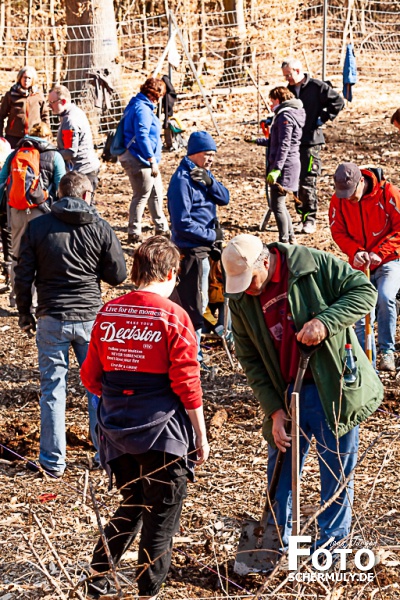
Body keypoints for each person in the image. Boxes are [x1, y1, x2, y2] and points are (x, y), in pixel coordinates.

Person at [222, 233, 382, 550]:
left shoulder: (311, 265)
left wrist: (325, 322)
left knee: (335, 472)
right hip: (286, 393)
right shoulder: (241, 298)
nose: (248, 289)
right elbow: (250, 360)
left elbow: (364, 292)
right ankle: (273, 544)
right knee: (279, 473)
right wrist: (274, 410)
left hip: (331, 386)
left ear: (265, 261)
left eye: (250, 280)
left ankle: (331, 545)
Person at [80, 235, 209, 599]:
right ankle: (148, 593)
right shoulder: (174, 316)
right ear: (170, 273)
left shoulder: (109, 312)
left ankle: (97, 579)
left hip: (117, 432)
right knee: (161, 520)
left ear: (136, 271)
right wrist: (200, 434)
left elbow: (90, 376)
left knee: (132, 503)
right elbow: (187, 382)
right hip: (162, 435)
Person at [14, 171, 126, 477]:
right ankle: (105, 455)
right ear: (87, 196)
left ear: (58, 194)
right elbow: (118, 275)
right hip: (90, 317)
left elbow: (22, 275)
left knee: (53, 390)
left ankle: (53, 462)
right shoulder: (99, 227)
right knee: (98, 388)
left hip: (52, 317)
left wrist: (25, 312)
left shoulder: (38, 227)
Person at [329, 162, 400, 371]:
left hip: (389, 260)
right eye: (344, 193)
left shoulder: (389, 193)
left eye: (351, 192)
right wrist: (355, 251)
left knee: (386, 297)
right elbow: (338, 232)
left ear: (361, 181)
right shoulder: (339, 200)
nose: (348, 197)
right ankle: (366, 363)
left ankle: (387, 351)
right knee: (361, 312)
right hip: (360, 264)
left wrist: (380, 252)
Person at [167, 131, 230, 364]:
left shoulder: (202, 173)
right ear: (194, 154)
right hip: (192, 250)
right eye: (208, 154)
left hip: (207, 247)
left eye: (213, 155)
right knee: (196, 303)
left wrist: (211, 182)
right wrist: (212, 235)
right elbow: (182, 223)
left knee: (208, 297)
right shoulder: (181, 181)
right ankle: (194, 355)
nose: (211, 159)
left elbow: (224, 199)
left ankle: (199, 347)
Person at [0, 121, 66, 306]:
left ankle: (16, 298)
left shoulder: (15, 153)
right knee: (40, 255)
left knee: (17, 256)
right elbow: (61, 184)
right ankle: (36, 300)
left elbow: (2, 179)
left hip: (17, 209)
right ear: (48, 137)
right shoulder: (54, 156)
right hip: (41, 212)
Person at [281, 57, 344, 234]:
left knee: (308, 180)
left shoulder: (317, 87)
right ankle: (300, 217)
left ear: (298, 71)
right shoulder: (290, 90)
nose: (287, 79)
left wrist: (322, 118)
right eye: (285, 76)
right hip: (294, 142)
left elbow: (338, 103)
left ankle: (310, 219)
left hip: (311, 142)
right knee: (295, 180)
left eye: (289, 75)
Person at [119, 77, 170, 244]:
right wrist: (151, 158)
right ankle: (134, 232)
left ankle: (162, 228)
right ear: (156, 95)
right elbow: (142, 135)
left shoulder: (138, 104)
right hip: (139, 159)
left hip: (144, 159)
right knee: (141, 195)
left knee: (156, 192)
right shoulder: (142, 109)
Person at [265, 86, 305, 244]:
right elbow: (278, 142)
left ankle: (284, 241)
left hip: (285, 166)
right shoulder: (292, 113)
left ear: (279, 100)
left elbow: (284, 145)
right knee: (279, 204)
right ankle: (290, 238)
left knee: (277, 204)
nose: (270, 105)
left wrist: (276, 169)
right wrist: (258, 141)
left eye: (272, 101)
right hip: (289, 163)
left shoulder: (284, 116)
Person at [47, 84, 100, 194]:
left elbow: (70, 152)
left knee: (83, 207)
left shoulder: (70, 121)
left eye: (52, 103)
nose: (49, 106)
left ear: (63, 101)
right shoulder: (75, 111)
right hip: (87, 169)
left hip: (83, 172)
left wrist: (52, 155)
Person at [0, 66, 50, 149]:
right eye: (24, 77)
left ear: (33, 80)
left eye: (29, 78)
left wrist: (46, 134)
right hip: (13, 136)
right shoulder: (11, 95)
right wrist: (1, 136)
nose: (26, 80)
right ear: (20, 78)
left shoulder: (38, 96)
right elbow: (1, 115)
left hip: (34, 136)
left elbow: (45, 116)